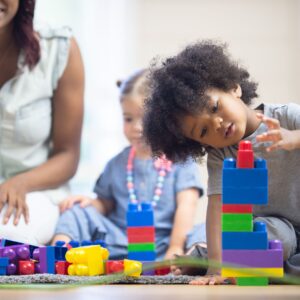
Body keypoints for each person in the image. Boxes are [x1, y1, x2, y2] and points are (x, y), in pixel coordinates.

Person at [143, 40, 300, 284]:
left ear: (233, 87)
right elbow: (216, 207)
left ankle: (203, 255)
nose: (216, 123)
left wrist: (293, 137)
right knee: (277, 240)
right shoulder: (221, 154)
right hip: (269, 229)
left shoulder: (287, 117)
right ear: (200, 144)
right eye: (203, 131)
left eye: (215, 107)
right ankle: (213, 258)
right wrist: (216, 270)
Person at [52, 69, 206, 261]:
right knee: (75, 212)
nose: (137, 127)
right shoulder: (117, 164)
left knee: (208, 228)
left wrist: (175, 246)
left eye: (145, 118)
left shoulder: (181, 159)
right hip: (120, 243)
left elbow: (187, 205)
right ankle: (58, 257)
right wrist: (89, 204)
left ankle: (187, 261)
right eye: (128, 118)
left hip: (165, 244)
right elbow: (105, 204)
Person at [0, 0, 84, 245]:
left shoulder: (58, 48)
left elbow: (67, 155)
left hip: (33, 191)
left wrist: (20, 183)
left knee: (10, 240)